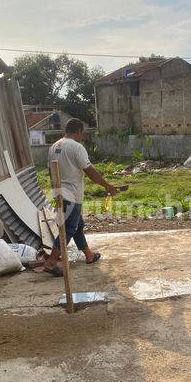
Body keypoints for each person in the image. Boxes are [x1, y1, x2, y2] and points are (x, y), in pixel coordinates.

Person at [43, 118, 117, 276]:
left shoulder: (54, 146)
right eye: (81, 133)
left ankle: (89, 255)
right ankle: (51, 263)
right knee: (69, 229)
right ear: (78, 132)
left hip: (59, 194)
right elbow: (90, 172)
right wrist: (107, 186)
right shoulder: (77, 147)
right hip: (72, 195)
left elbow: (51, 172)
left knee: (78, 225)